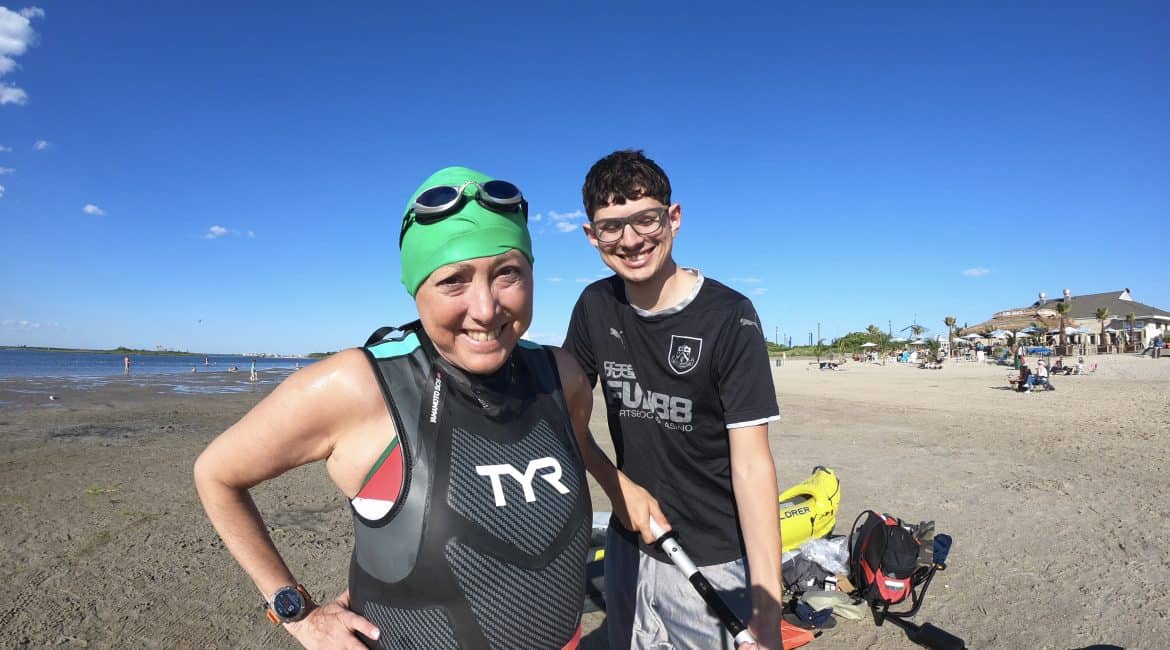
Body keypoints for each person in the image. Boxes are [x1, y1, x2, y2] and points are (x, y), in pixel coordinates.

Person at [195, 166, 599, 649]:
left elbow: (577, 450)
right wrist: (297, 612)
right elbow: (216, 474)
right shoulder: (359, 386)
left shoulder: (561, 377)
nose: (486, 308)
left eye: (508, 272)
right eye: (454, 280)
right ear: (416, 288)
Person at [564, 150, 782, 650]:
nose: (632, 239)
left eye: (646, 218)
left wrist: (767, 611)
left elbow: (752, 465)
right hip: (627, 548)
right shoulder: (595, 306)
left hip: (712, 558)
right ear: (591, 236)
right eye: (610, 226)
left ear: (674, 218)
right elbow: (563, 418)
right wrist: (616, 485)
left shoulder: (730, 316)